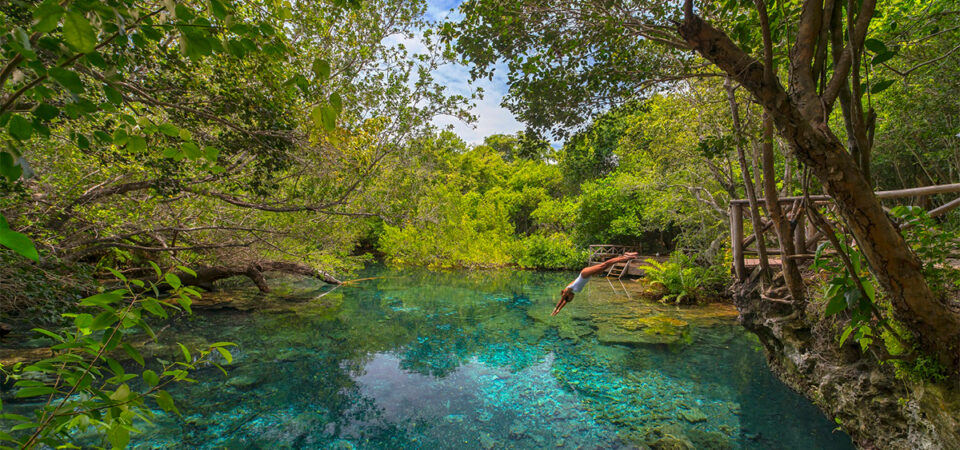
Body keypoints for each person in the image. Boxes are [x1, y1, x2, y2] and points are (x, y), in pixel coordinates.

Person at [551, 252, 638, 316]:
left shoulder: (567, 290)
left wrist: (555, 309)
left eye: (571, 298)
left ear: (568, 295)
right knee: (606, 267)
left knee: (605, 264)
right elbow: (565, 301)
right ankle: (625, 256)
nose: (572, 298)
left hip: (584, 274)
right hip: (588, 275)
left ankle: (626, 257)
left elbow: (562, 300)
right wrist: (559, 310)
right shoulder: (571, 292)